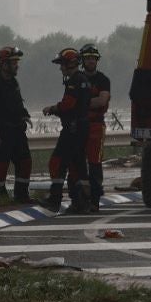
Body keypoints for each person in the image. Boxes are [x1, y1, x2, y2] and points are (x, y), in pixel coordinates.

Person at [41, 47, 94, 213]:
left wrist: (53, 108)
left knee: (57, 162)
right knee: (78, 166)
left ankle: (54, 199)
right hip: (80, 128)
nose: (60, 68)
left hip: (72, 130)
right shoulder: (84, 79)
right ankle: (82, 202)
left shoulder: (75, 81)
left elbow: (69, 104)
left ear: (70, 64)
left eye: (62, 64)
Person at [0, 45, 32, 202]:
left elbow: (18, 104)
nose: (17, 65)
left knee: (25, 161)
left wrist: (24, 115)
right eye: (13, 62)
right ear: (4, 64)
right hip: (2, 133)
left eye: (17, 61)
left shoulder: (14, 83)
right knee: (1, 164)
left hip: (18, 131)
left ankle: (21, 195)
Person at [79, 44, 112, 204]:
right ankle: (79, 197)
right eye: (87, 58)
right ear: (82, 60)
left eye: (93, 58)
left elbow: (102, 100)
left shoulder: (103, 80)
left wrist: (80, 102)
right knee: (77, 162)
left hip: (96, 126)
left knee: (94, 162)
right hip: (79, 125)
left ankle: (95, 198)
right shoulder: (76, 78)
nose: (91, 61)